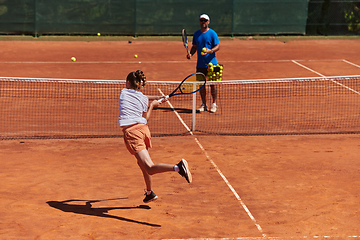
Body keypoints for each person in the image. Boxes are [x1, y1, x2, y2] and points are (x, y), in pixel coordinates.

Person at [118, 70, 192, 203]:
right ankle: (149, 192)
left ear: (128, 83)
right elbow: (144, 105)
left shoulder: (123, 92)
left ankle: (178, 167)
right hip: (144, 131)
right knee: (142, 164)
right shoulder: (142, 98)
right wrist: (156, 99)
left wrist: (152, 104)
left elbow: (145, 111)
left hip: (132, 134)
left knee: (149, 168)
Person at [187, 13, 220, 113]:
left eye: (205, 20)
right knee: (201, 85)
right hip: (200, 64)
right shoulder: (196, 34)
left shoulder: (212, 33)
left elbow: (218, 46)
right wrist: (191, 54)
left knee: (212, 84)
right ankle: (204, 104)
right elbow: (194, 47)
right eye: (201, 20)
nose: (203, 22)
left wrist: (210, 51)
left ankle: (214, 104)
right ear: (199, 22)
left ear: (208, 22)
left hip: (211, 64)